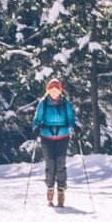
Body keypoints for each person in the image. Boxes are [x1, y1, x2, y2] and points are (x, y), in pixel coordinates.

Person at [32, 78, 76, 208]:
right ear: (48, 91)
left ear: (60, 90)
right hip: (47, 137)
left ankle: (61, 190)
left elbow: (71, 118)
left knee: (60, 164)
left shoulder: (65, 103)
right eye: (52, 90)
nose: (54, 92)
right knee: (50, 164)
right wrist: (36, 127)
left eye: (56, 90)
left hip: (63, 137)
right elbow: (37, 118)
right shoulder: (43, 103)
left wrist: (75, 126)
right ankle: (50, 188)